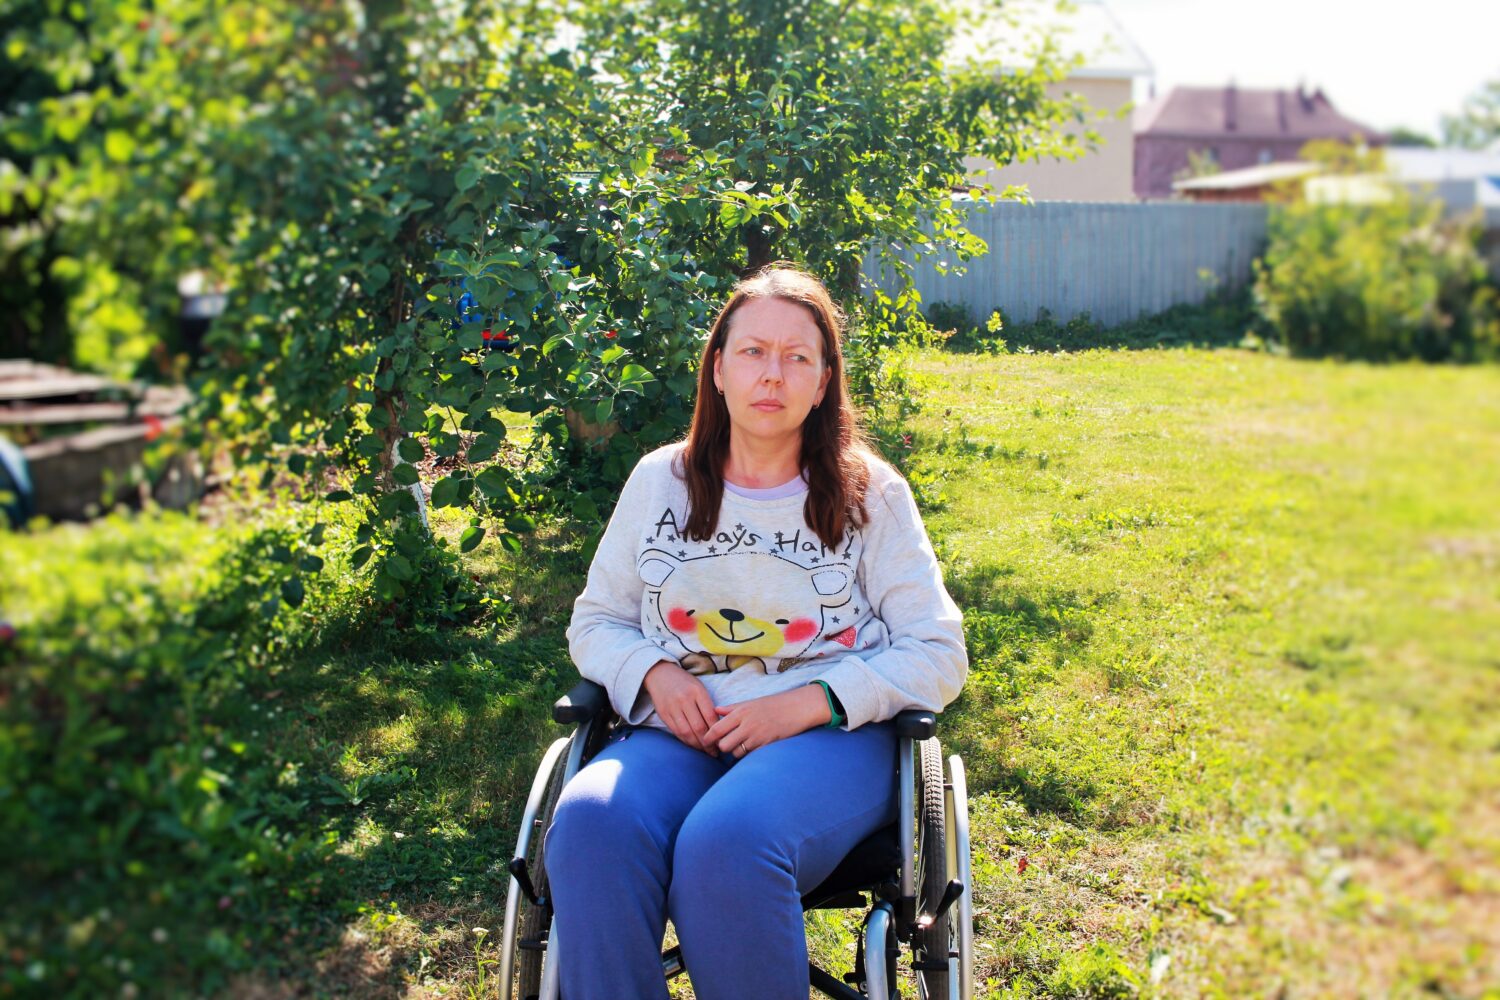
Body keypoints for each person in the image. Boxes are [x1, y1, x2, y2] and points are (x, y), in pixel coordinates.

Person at [544, 265, 967, 1000]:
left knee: (727, 843)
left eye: (797, 357)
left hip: (830, 742)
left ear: (824, 380)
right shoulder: (660, 482)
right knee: (589, 824)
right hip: (680, 736)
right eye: (752, 352)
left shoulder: (870, 494)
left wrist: (808, 703)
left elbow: (937, 652)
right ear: (717, 368)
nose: (773, 374)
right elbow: (598, 620)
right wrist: (654, 673)